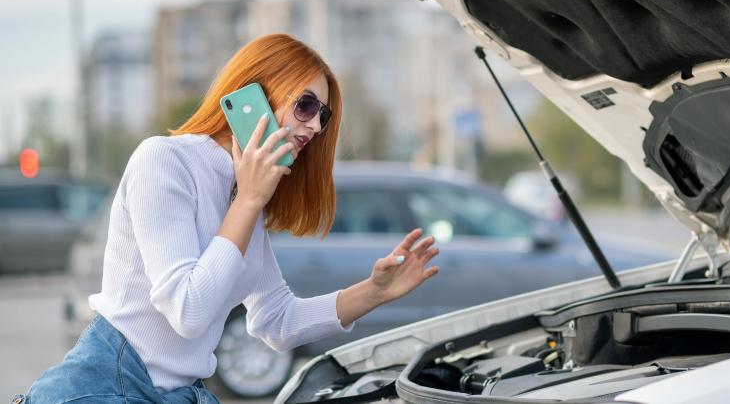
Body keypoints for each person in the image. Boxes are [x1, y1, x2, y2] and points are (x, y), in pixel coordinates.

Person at [11, 34, 440, 404]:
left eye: (323, 116)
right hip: (103, 386)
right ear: (254, 94)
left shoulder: (241, 193)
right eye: (305, 105)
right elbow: (188, 310)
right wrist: (249, 201)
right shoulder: (165, 160)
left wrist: (376, 291)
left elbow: (277, 319)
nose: (314, 127)